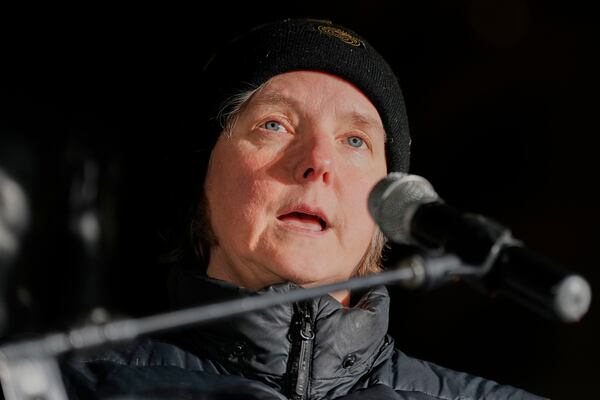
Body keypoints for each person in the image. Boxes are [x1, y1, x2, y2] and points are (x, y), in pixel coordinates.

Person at [61, 18, 546, 399]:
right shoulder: (69, 386)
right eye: (276, 125)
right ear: (201, 178)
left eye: (354, 140)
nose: (318, 162)